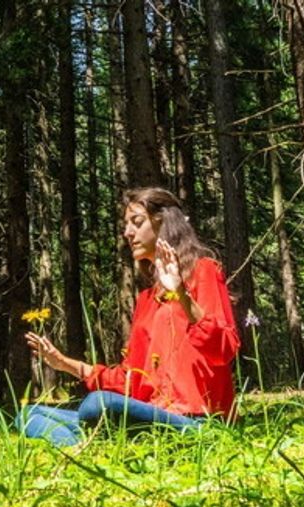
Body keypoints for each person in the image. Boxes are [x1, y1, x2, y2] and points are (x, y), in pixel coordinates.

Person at [17, 187, 239, 447]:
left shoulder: (204, 271)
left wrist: (181, 293)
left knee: (97, 405)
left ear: (163, 221)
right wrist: (63, 363)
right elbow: (128, 379)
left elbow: (224, 349)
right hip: (150, 415)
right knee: (29, 415)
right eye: (126, 225)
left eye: (137, 222)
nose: (127, 233)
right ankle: (96, 447)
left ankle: (97, 445)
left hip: (199, 421)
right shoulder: (146, 300)